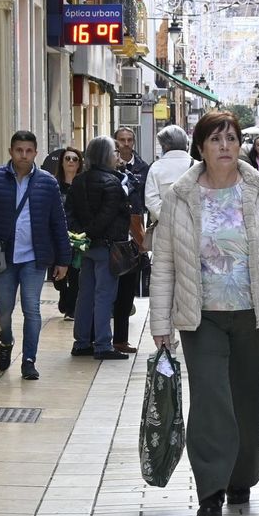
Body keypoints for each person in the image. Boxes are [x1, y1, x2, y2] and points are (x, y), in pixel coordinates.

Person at [150, 109, 259, 516]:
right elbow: (163, 262)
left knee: (246, 397)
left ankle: (241, 479)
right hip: (201, 317)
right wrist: (160, 322)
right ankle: (211, 491)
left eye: (231, 139)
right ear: (200, 147)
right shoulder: (180, 197)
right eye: (215, 140)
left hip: (256, 316)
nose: (225, 147)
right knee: (211, 396)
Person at [0, 131, 70, 381]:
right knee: (3, 309)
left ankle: (29, 360)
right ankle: (6, 341)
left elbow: (58, 222)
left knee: (32, 309)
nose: (23, 155)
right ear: (10, 151)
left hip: (35, 258)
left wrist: (63, 259)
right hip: (3, 257)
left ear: (36, 153)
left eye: (28, 151)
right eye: (19, 150)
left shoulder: (47, 182)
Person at [66, 137, 137, 361]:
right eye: (114, 152)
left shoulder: (79, 180)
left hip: (85, 248)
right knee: (105, 295)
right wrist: (92, 233)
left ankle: (81, 342)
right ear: (107, 155)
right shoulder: (113, 182)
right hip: (107, 246)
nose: (118, 155)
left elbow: (69, 213)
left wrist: (82, 235)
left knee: (85, 295)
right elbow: (108, 216)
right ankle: (103, 344)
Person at [112, 133, 149, 355]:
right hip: (111, 238)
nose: (125, 145)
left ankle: (120, 339)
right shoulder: (105, 175)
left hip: (132, 238)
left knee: (126, 291)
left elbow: (142, 204)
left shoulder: (142, 169)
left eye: (129, 141)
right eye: (120, 143)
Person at [49, 147, 84, 319]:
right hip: (57, 236)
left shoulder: (83, 184)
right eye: (68, 158)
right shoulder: (53, 185)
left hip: (78, 236)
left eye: (75, 159)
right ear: (62, 162)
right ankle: (63, 294)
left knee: (76, 273)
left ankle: (71, 306)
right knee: (58, 274)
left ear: (79, 164)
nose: (71, 161)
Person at [145, 124, 195, 238]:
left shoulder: (155, 167)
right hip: (192, 229)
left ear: (165, 146)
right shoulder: (197, 166)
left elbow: (151, 200)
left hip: (164, 230)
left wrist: (167, 218)